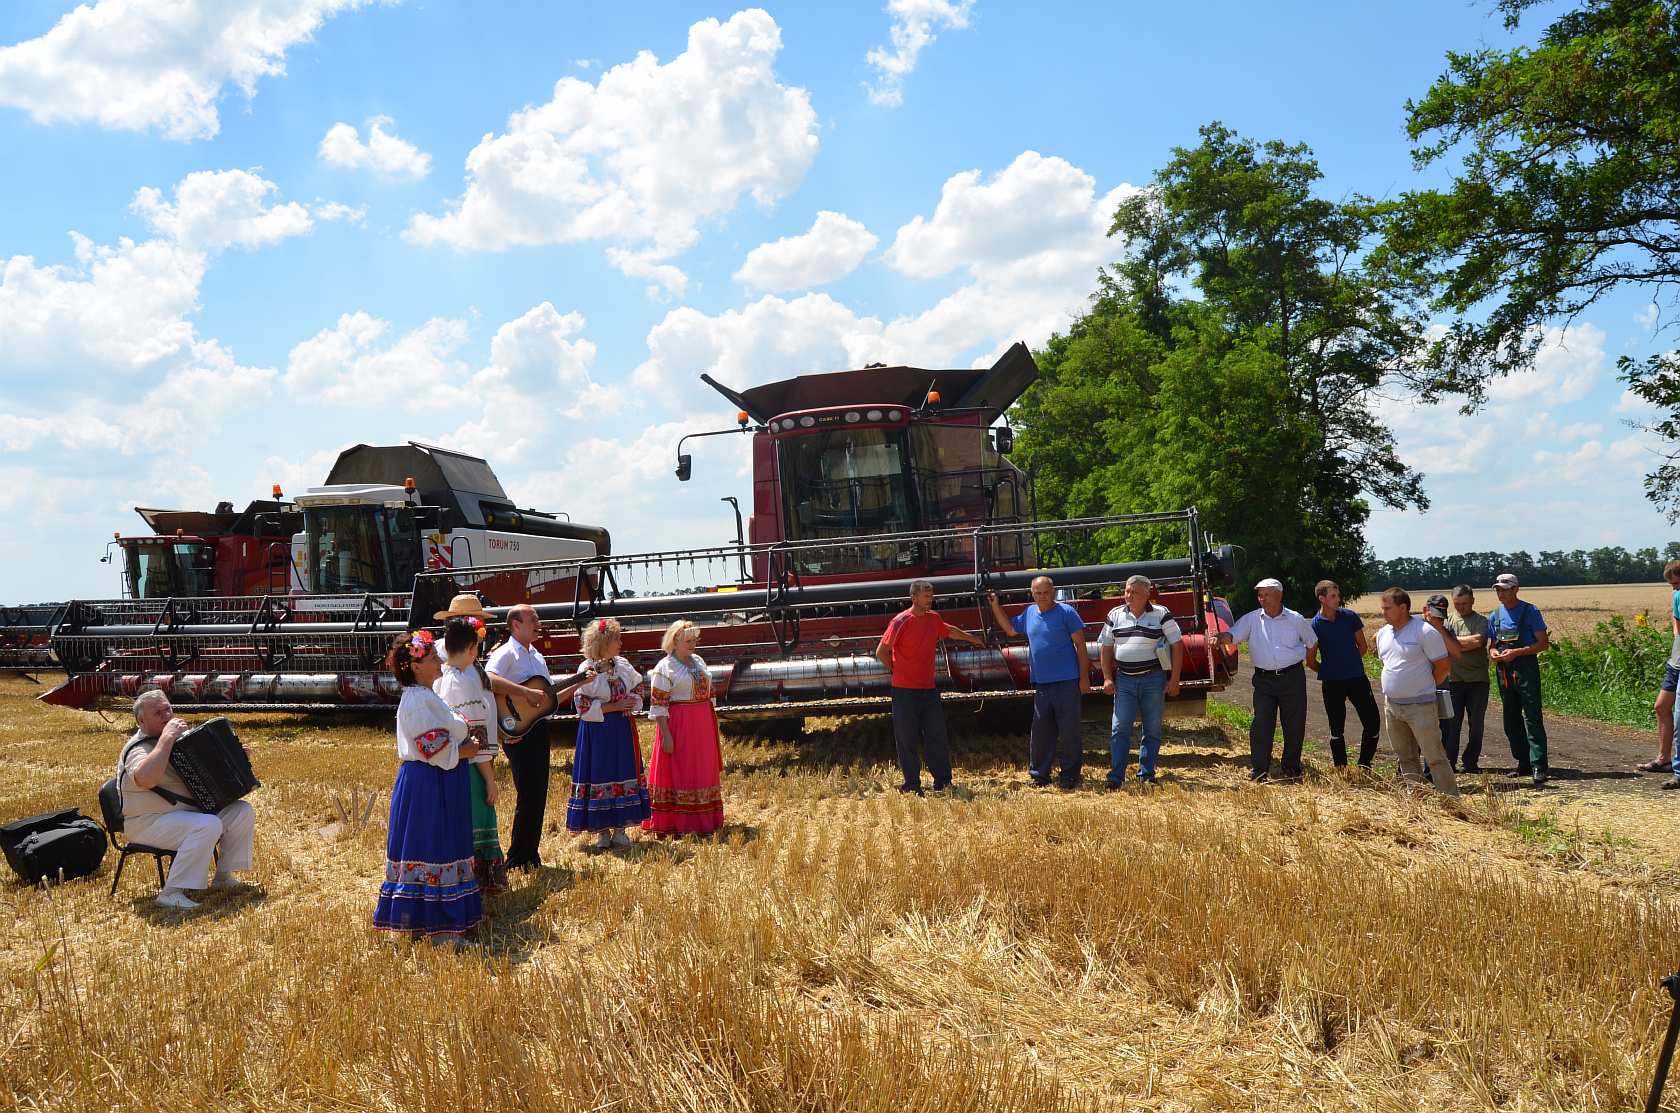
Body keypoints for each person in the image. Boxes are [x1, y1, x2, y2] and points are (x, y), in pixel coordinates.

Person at [373, 630, 483, 938]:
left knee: (440, 845)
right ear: (416, 666)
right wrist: (466, 751)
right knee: (434, 847)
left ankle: (433, 923)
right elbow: (431, 748)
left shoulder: (428, 696)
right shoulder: (418, 700)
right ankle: (440, 929)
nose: (439, 660)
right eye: (433, 657)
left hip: (439, 781)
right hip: (428, 785)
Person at [118, 690, 256, 910]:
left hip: (186, 815)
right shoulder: (138, 747)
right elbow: (145, 779)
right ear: (141, 721)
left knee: (241, 811)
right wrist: (166, 739)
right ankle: (171, 893)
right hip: (147, 822)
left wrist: (236, 757)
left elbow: (210, 770)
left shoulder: (184, 739)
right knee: (208, 825)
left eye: (168, 709)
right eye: (158, 713)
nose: (167, 716)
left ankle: (223, 877)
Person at [875, 580, 987, 794]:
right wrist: (897, 670)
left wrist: (972, 638)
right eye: (926, 596)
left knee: (937, 736)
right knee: (907, 739)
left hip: (928, 689)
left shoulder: (934, 618)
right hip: (904, 691)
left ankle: (943, 782)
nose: (930, 599)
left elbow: (949, 630)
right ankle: (912, 785)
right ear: (914, 597)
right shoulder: (900, 621)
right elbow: (881, 651)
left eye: (931, 595)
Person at [484, 603, 569, 871]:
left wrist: (580, 682)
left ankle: (530, 854)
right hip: (518, 732)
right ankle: (518, 858)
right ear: (516, 625)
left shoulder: (537, 656)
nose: (538, 624)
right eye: (533, 619)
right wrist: (524, 693)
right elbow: (488, 680)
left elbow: (547, 698)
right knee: (527, 794)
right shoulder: (505, 653)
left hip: (538, 728)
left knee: (537, 794)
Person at [986, 576, 1089, 789]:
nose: (1042, 596)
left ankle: (1070, 775)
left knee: (1069, 731)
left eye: (1045, 592)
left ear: (1053, 592)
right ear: (1032, 594)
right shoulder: (1030, 613)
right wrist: (995, 606)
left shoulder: (1067, 613)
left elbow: (1081, 645)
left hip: (1067, 681)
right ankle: (1040, 775)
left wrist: (1083, 677)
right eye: (1037, 593)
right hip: (1042, 683)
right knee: (1041, 732)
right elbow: (1010, 629)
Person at [1216, 578, 1317, 781]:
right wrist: (1219, 637)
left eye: (1266, 595)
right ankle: (1260, 769)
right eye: (1260, 595)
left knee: (1294, 724)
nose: (1262, 599)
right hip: (1263, 681)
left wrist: (1309, 662)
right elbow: (1232, 635)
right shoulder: (1252, 619)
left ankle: (1291, 767)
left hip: (1292, 678)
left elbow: (1312, 642)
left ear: (1279, 595)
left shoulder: (1295, 619)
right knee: (1261, 724)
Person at [433, 614, 506, 895]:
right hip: (470, 766)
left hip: (453, 762)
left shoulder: (444, 677)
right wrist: (489, 779)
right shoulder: (463, 681)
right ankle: (476, 881)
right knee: (478, 819)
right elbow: (476, 737)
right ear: (473, 648)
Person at [568, 617, 650, 848]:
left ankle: (620, 830)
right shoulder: (587, 669)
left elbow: (638, 685)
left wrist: (631, 702)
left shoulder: (622, 664)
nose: (621, 643)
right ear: (604, 643)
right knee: (600, 774)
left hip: (621, 729)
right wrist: (615, 706)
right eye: (617, 639)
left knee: (622, 770)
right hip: (597, 731)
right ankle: (602, 831)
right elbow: (582, 705)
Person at [1096, 574, 1183, 787]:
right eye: (1127, 591)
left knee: (1152, 729)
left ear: (1147, 593)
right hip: (1124, 681)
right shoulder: (1115, 615)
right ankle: (1116, 777)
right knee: (1119, 728)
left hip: (1153, 679)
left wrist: (1174, 680)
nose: (1128, 595)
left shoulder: (1162, 614)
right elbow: (1105, 648)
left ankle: (1146, 775)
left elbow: (1177, 645)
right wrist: (1107, 678)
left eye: (1133, 592)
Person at [643, 619, 725, 836]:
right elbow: (658, 704)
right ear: (674, 641)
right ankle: (679, 823)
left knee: (702, 769)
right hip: (680, 725)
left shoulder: (698, 661)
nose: (692, 645)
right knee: (682, 770)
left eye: (694, 640)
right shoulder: (664, 667)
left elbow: (709, 692)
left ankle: (704, 821)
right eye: (687, 641)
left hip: (702, 723)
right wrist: (666, 735)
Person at [1374, 588, 1459, 796]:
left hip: (1421, 706)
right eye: (1383, 608)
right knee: (1405, 757)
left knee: (1435, 757)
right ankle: (1417, 798)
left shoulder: (1425, 632)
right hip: (1392, 706)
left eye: (1387, 608)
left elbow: (1443, 667)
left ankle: (1450, 800)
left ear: (1403, 608)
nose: (1383, 612)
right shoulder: (1383, 634)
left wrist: (1423, 687)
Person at [1304, 580, 1380, 770]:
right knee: (1336, 728)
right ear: (1322, 598)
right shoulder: (1314, 626)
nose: (1338, 599)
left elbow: (1363, 647)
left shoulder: (1349, 617)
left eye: (1338, 595)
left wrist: (1349, 663)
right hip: (1332, 684)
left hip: (1357, 678)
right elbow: (1310, 661)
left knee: (1373, 723)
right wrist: (1329, 670)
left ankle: (1364, 765)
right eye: (1333, 596)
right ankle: (1341, 769)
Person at [1486, 573, 1551, 786]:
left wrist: (1517, 652)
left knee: (1532, 716)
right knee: (1510, 718)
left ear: (1516, 589)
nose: (1501, 593)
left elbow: (1543, 643)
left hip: (1526, 669)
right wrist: (1494, 653)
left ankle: (1538, 765)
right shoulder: (1495, 615)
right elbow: (1492, 645)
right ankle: (1523, 762)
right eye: (1498, 589)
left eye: (1505, 589)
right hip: (1504, 671)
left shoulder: (1530, 611)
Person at [1426, 586, 1491, 774]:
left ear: (1473, 601)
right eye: (1457, 604)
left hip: (1478, 680)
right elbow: (1444, 643)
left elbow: (1477, 642)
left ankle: (1471, 762)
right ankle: (1450, 761)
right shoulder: (1447, 621)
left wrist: (1449, 640)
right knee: (1451, 723)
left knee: (1476, 724)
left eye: (1465, 603)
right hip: (1453, 680)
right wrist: (1455, 641)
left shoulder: (1481, 621)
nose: (1461, 607)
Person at [1641, 561, 1680, 773]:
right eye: (1672, 585)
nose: (1674, 588)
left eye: (1677, 584)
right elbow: (1676, 617)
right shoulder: (1677, 596)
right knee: (1661, 706)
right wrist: (1677, 634)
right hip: (1677, 659)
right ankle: (1664, 759)